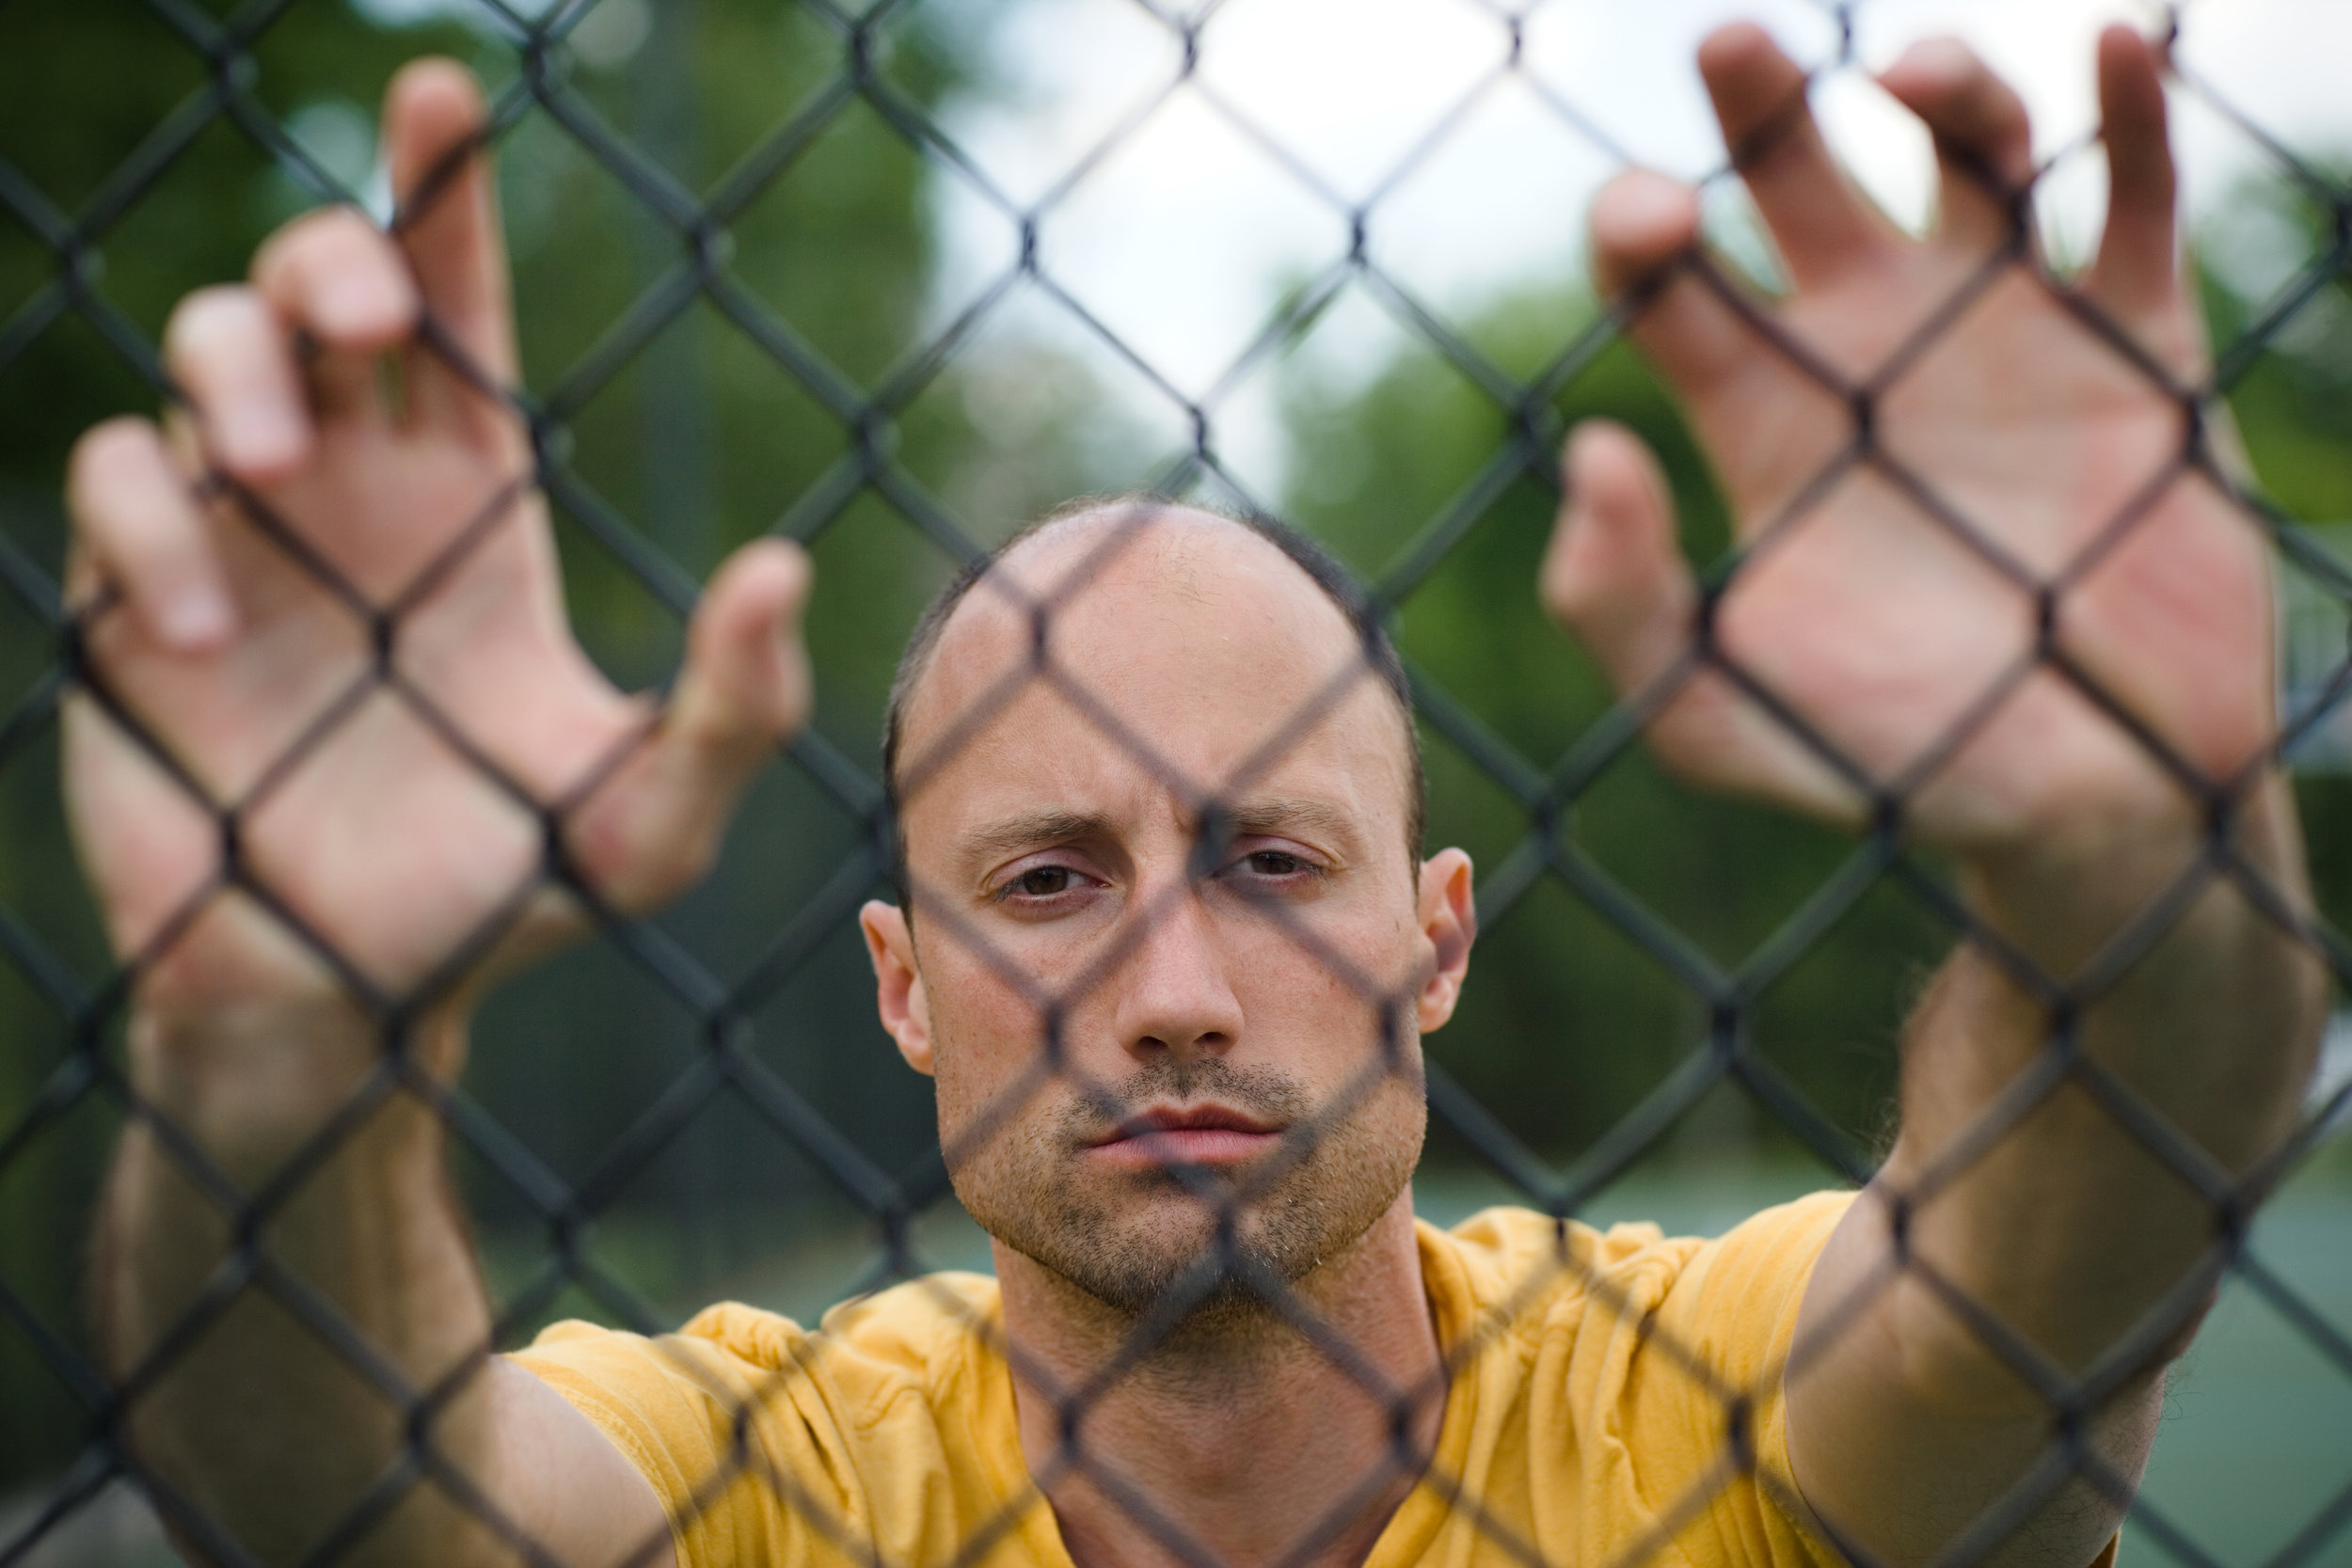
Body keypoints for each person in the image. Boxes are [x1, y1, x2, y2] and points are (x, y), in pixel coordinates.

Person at [67, 16, 2321, 1568]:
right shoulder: (769, 1467)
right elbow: (354, 1505)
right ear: (902, 987)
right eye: (1044, 880)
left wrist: (2133, 865)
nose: (1169, 990)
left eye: (1267, 857)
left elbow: (2048, 1283)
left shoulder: (1682, 1405)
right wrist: (279, 1054)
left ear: (1432, 936)